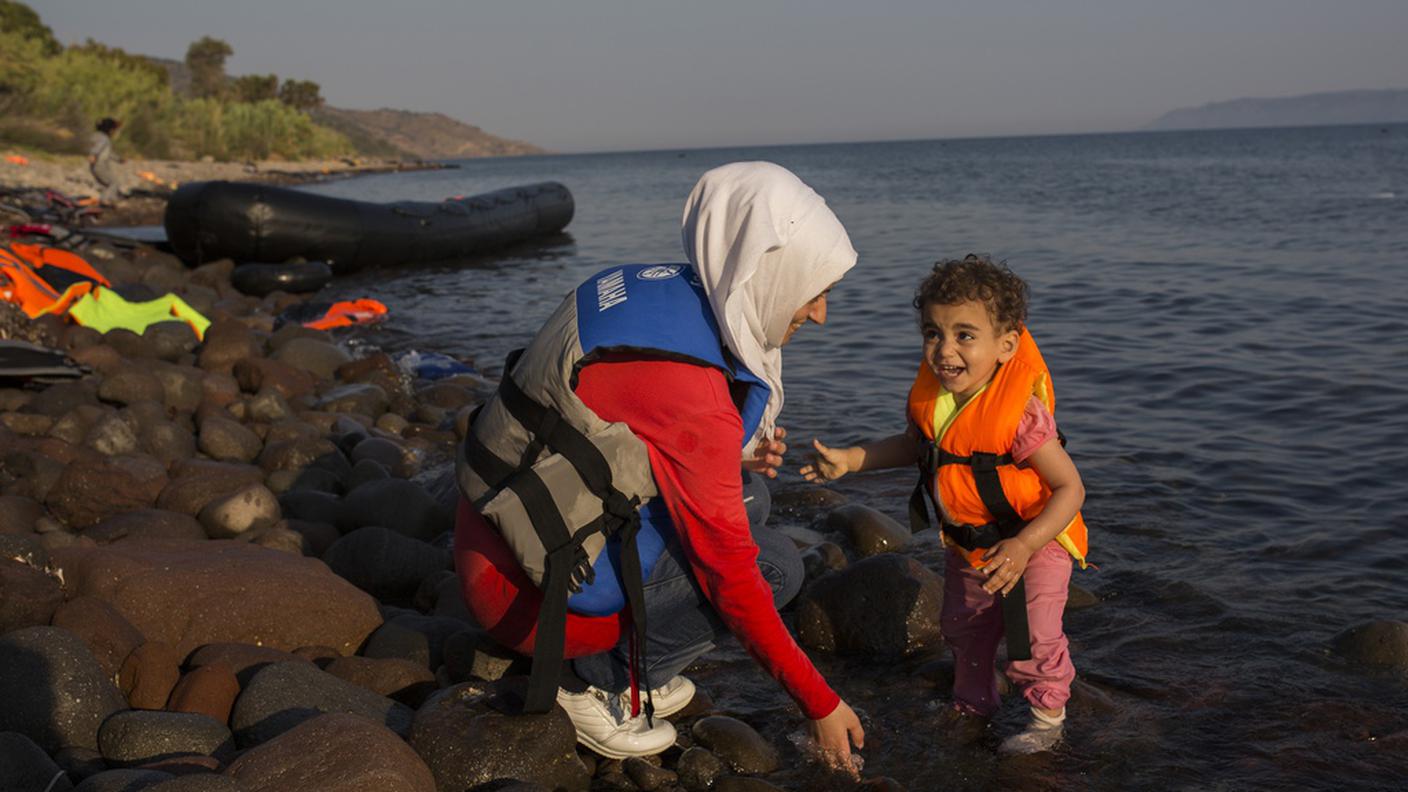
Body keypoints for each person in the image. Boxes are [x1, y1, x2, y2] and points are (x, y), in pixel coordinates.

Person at [454, 162, 866, 766]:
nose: (822, 313)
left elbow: (616, 421)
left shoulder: (650, 283)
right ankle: (595, 681)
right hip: (519, 597)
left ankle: (632, 655)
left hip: (489, 529)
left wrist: (734, 456)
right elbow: (734, 581)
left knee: (754, 499)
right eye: (815, 289)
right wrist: (820, 704)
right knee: (774, 567)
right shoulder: (690, 392)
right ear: (770, 269)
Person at [801, 254, 1089, 755]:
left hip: (1034, 543)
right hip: (969, 546)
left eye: (964, 335)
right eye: (933, 333)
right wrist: (851, 460)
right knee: (965, 628)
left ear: (1006, 346)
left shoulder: (1021, 416)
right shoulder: (938, 401)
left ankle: (1046, 716)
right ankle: (973, 705)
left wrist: (1024, 546)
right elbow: (919, 447)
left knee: (1034, 639)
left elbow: (1071, 489)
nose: (945, 349)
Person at [88, 118, 123, 207]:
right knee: (113, 183)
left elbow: (108, 152)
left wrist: (118, 159)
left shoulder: (95, 136)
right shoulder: (104, 139)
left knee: (106, 184)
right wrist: (93, 155)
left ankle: (109, 200)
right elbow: (97, 148)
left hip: (94, 166)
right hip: (100, 165)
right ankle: (105, 201)